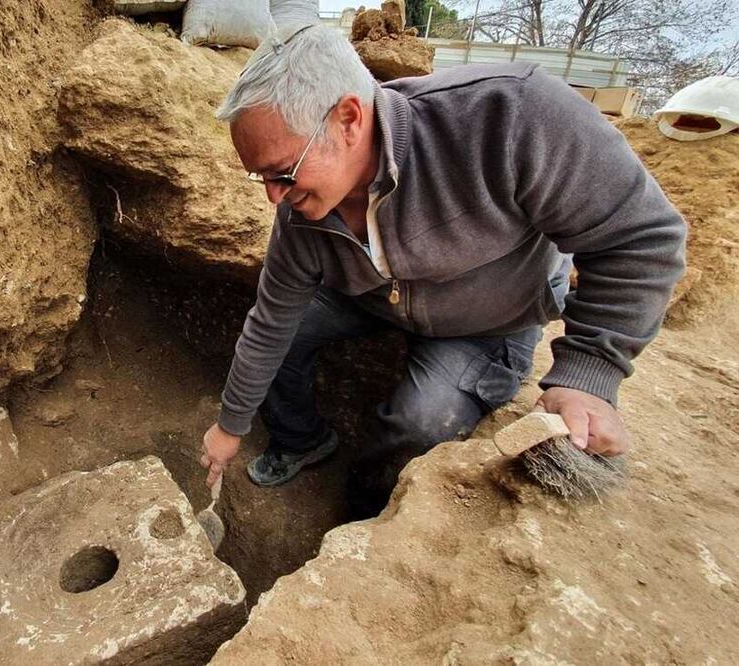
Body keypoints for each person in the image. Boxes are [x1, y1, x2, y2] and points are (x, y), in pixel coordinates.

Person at [196, 25, 686, 518]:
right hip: (369, 296)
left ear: (348, 119)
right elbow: (270, 321)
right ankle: (302, 440)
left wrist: (589, 374)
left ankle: (367, 510)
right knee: (286, 340)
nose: (274, 197)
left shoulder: (512, 117)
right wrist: (230, 426)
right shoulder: (301, 210)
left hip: (488, 321)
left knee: (421, 423)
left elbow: (640, 237)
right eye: (261, 177)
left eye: (283, 172)